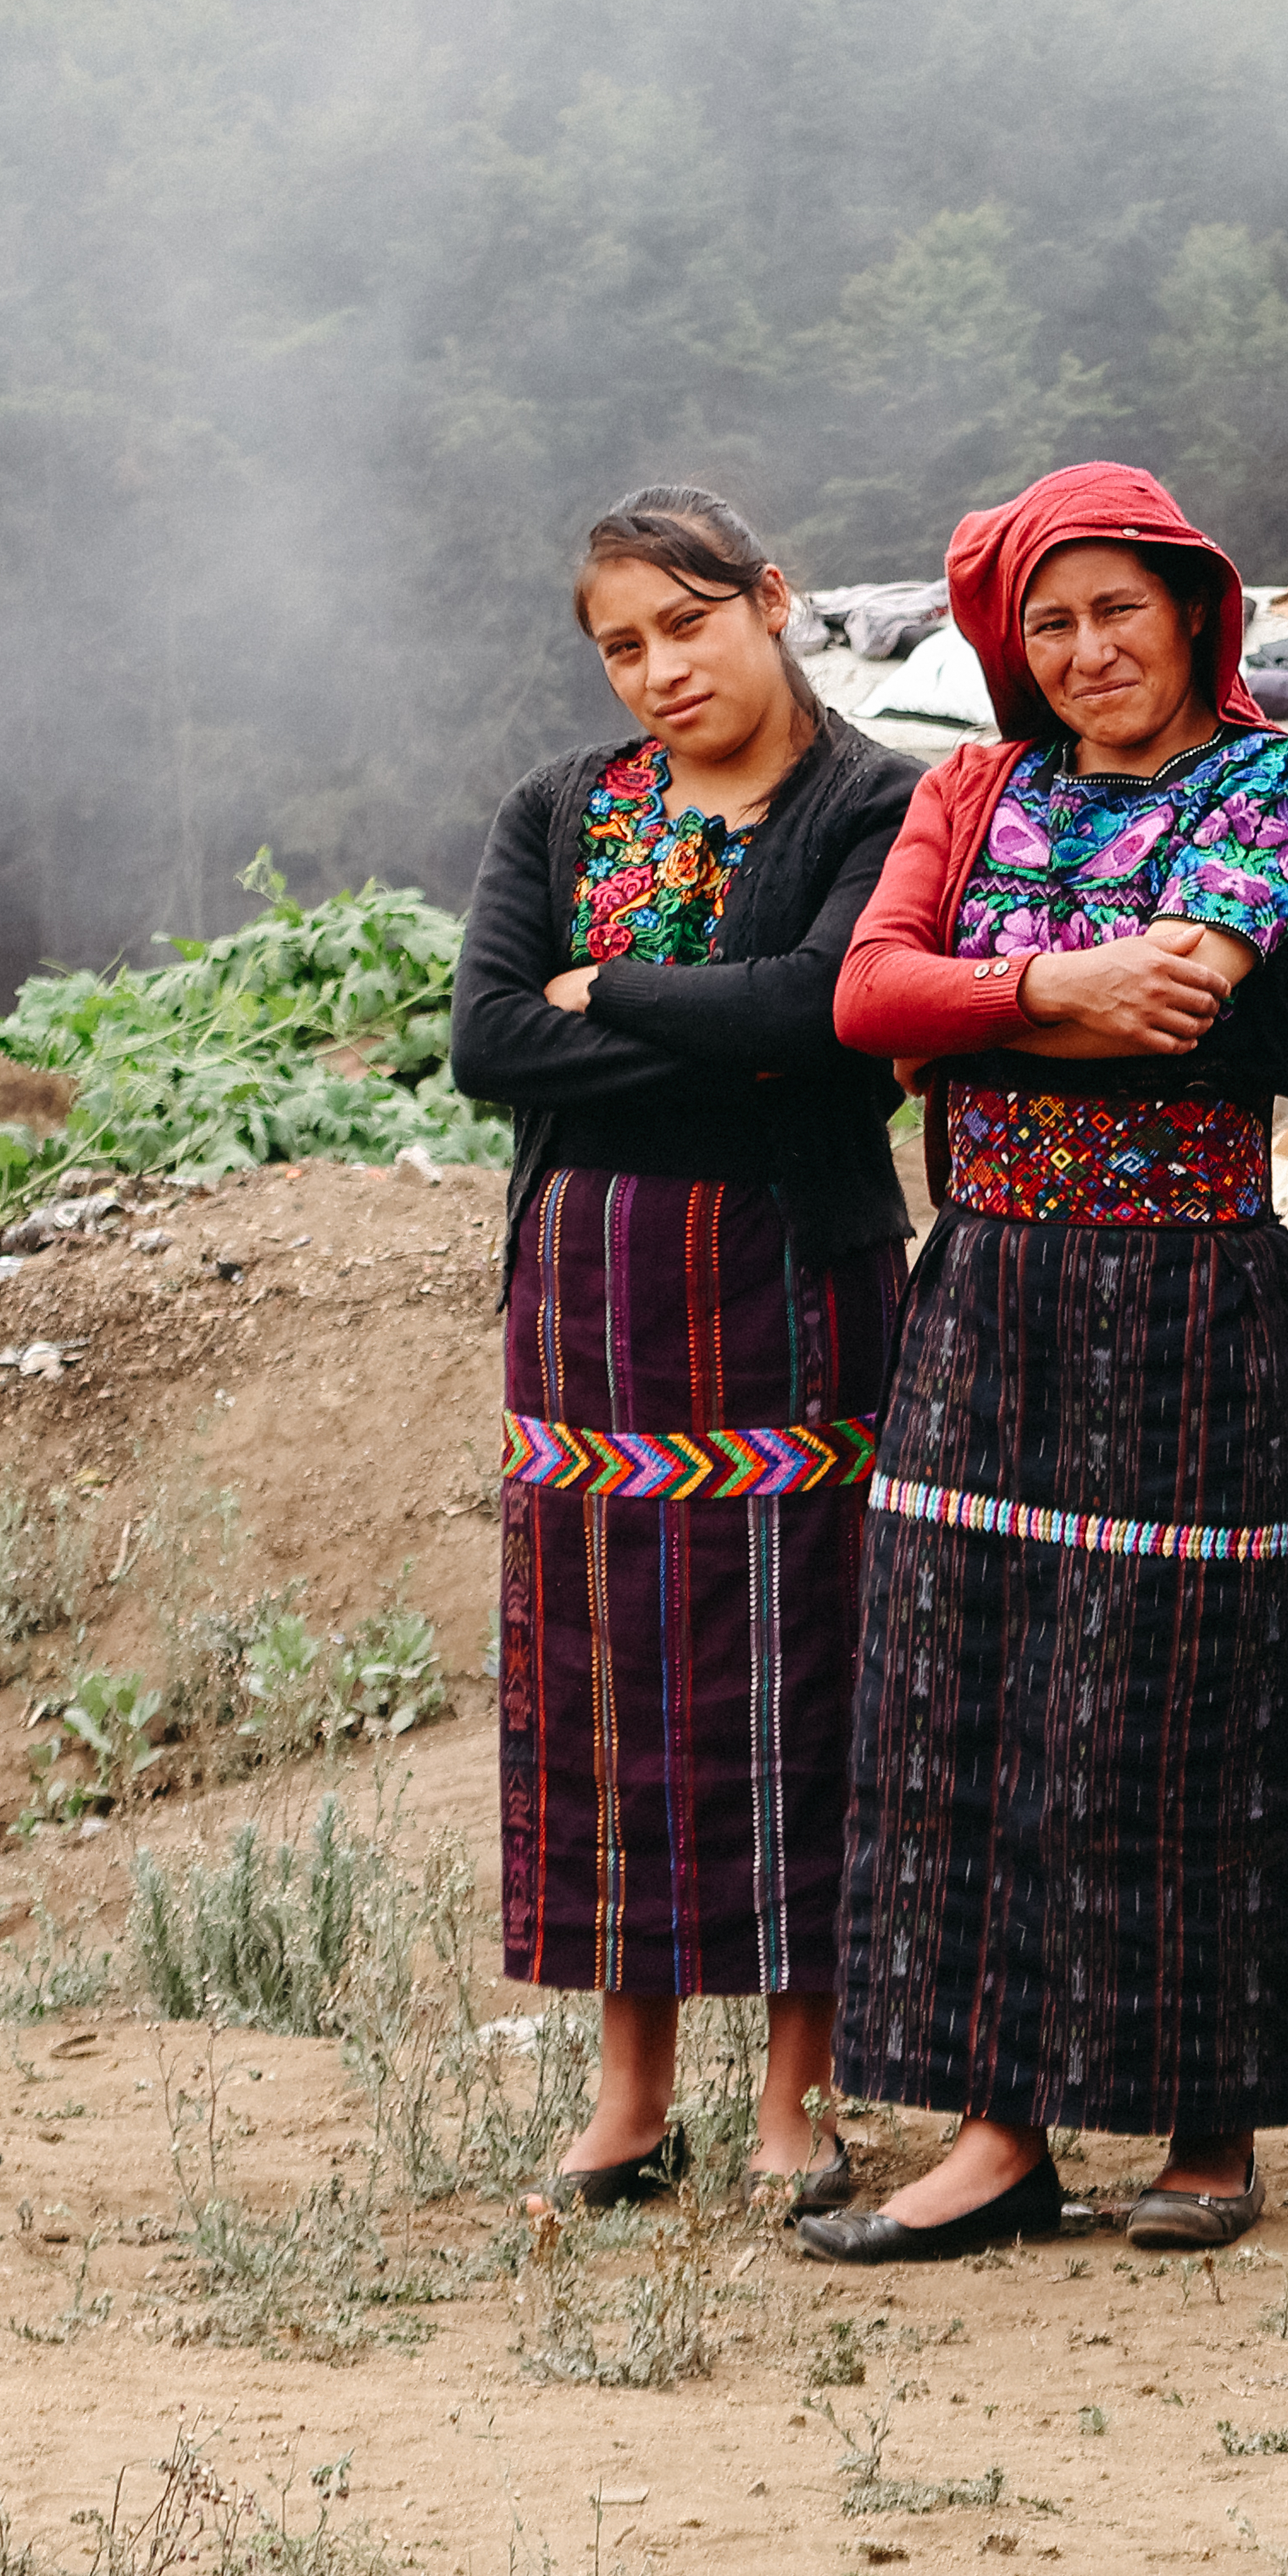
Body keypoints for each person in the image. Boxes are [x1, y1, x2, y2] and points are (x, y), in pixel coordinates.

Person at [813, 462, 1288, 2263]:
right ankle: (999, 2126)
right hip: (983, 1279)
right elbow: (866, 1000)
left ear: (1196, 609)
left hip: (1181, 1286)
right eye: (1048, 622)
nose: (1086, 648)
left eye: (1119, 607)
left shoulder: (1273, 783)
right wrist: (1053, 993)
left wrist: (973, 1008)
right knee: (954, 1683)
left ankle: (1207, 2122)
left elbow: (1190, 995)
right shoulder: (973, 788)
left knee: (1174, 1691)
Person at [449, 488, 918, 2218]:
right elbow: (487, 1043)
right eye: (623, 645)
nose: (660, 669)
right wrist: (736, 1028)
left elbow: (832, 1017)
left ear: (773, 599)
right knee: (606, 1687)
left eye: (688, 624)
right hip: (584, 1305)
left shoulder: (881, 802)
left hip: (800, 1289)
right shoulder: (559, 808)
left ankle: (801, 2095)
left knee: (805, 1675)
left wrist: (614, 991)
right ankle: (627, 2099)